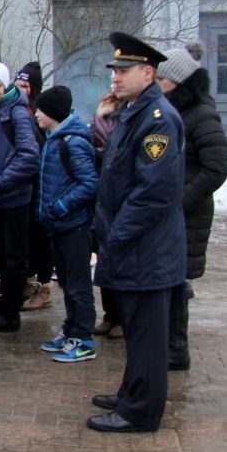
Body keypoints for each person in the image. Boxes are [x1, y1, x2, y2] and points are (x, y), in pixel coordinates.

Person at [88, 31, 185, 433]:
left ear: (147, 73)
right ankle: (132, 391)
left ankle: (141, 411)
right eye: (114, 70)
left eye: (124, 70)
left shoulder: (158, 119)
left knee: (147, 335)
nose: (115, 77)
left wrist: (116, 234)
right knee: (137, 329)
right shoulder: (135, 113)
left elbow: (153, 193)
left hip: (146, 247)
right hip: (133, 246)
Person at [156, 44, 227, 371]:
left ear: (178, 81)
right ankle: (169, 344)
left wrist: (181, 201)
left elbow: (216, 168)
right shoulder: (175, 110)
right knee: (172, 277)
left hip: (189, 213)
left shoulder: (201, 114)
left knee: (178, 279)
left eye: (162, 78)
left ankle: (176, 350)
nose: (156, 82)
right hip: (175, 209)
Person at [33, 85, 100, 362]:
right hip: (58, 226)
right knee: (67, 283)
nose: (35, 113)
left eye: (40, 109)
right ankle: (71, 330)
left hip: (73, 225)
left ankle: (83, 338)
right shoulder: (54, 138)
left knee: (78, 284)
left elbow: (89, 183)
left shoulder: (73, 142)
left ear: (52, 113)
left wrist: (60, 207)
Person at [0, 61, 40, 332]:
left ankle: (10, 312)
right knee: (2, 253)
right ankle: (4, 306)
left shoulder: (16, 113)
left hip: (13, 197)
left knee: (14, 256)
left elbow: (29, 156)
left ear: (6, 86)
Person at [13, 62, 53, 312]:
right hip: (23, 187)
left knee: (42, 239)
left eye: (25, 86)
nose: (20, 90)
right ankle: (27, 284)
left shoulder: (42, 112)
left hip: (42, 185)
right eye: (17, 85)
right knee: (25, 238)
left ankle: (44, 287)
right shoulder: (16, 110)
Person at [90, 90, 125, 340]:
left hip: (122, 194)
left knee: (122, 261)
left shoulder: (140, 116)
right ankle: (110, 314)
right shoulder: (103, 112)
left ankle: (124, 318)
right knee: (104, 259)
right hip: (103, 191)